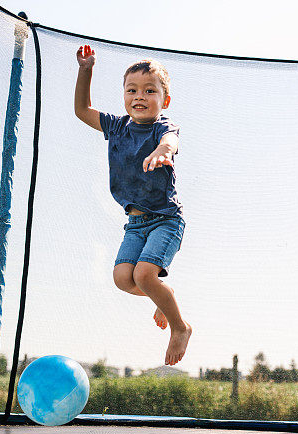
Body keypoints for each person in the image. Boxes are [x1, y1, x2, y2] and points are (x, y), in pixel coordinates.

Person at [74, 44, 192, 366]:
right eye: (132, 90)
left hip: (165, 219)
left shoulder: (161, 129)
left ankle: (180, 327)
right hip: (135, 223)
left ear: (164, 100)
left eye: (149, 90)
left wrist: (163, 151)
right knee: (123, 278)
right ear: (124, 96)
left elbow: (171, 140)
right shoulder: (117, 127)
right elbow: (82, 110)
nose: (139, 96)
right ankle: (164, 298)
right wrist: (86, 70)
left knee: (143, 275)